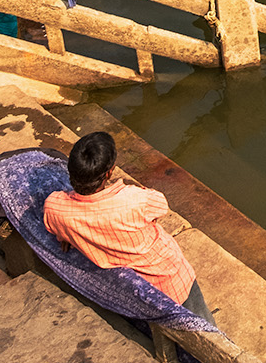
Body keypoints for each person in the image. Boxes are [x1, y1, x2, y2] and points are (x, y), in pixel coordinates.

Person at [44, 132, 212, 321]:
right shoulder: (133, 200)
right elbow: (161, 205)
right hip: (169, 280)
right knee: (202, 323)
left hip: (132, 288)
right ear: (109, 172)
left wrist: (65, 236)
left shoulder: (54, 208)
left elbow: (57, 227)